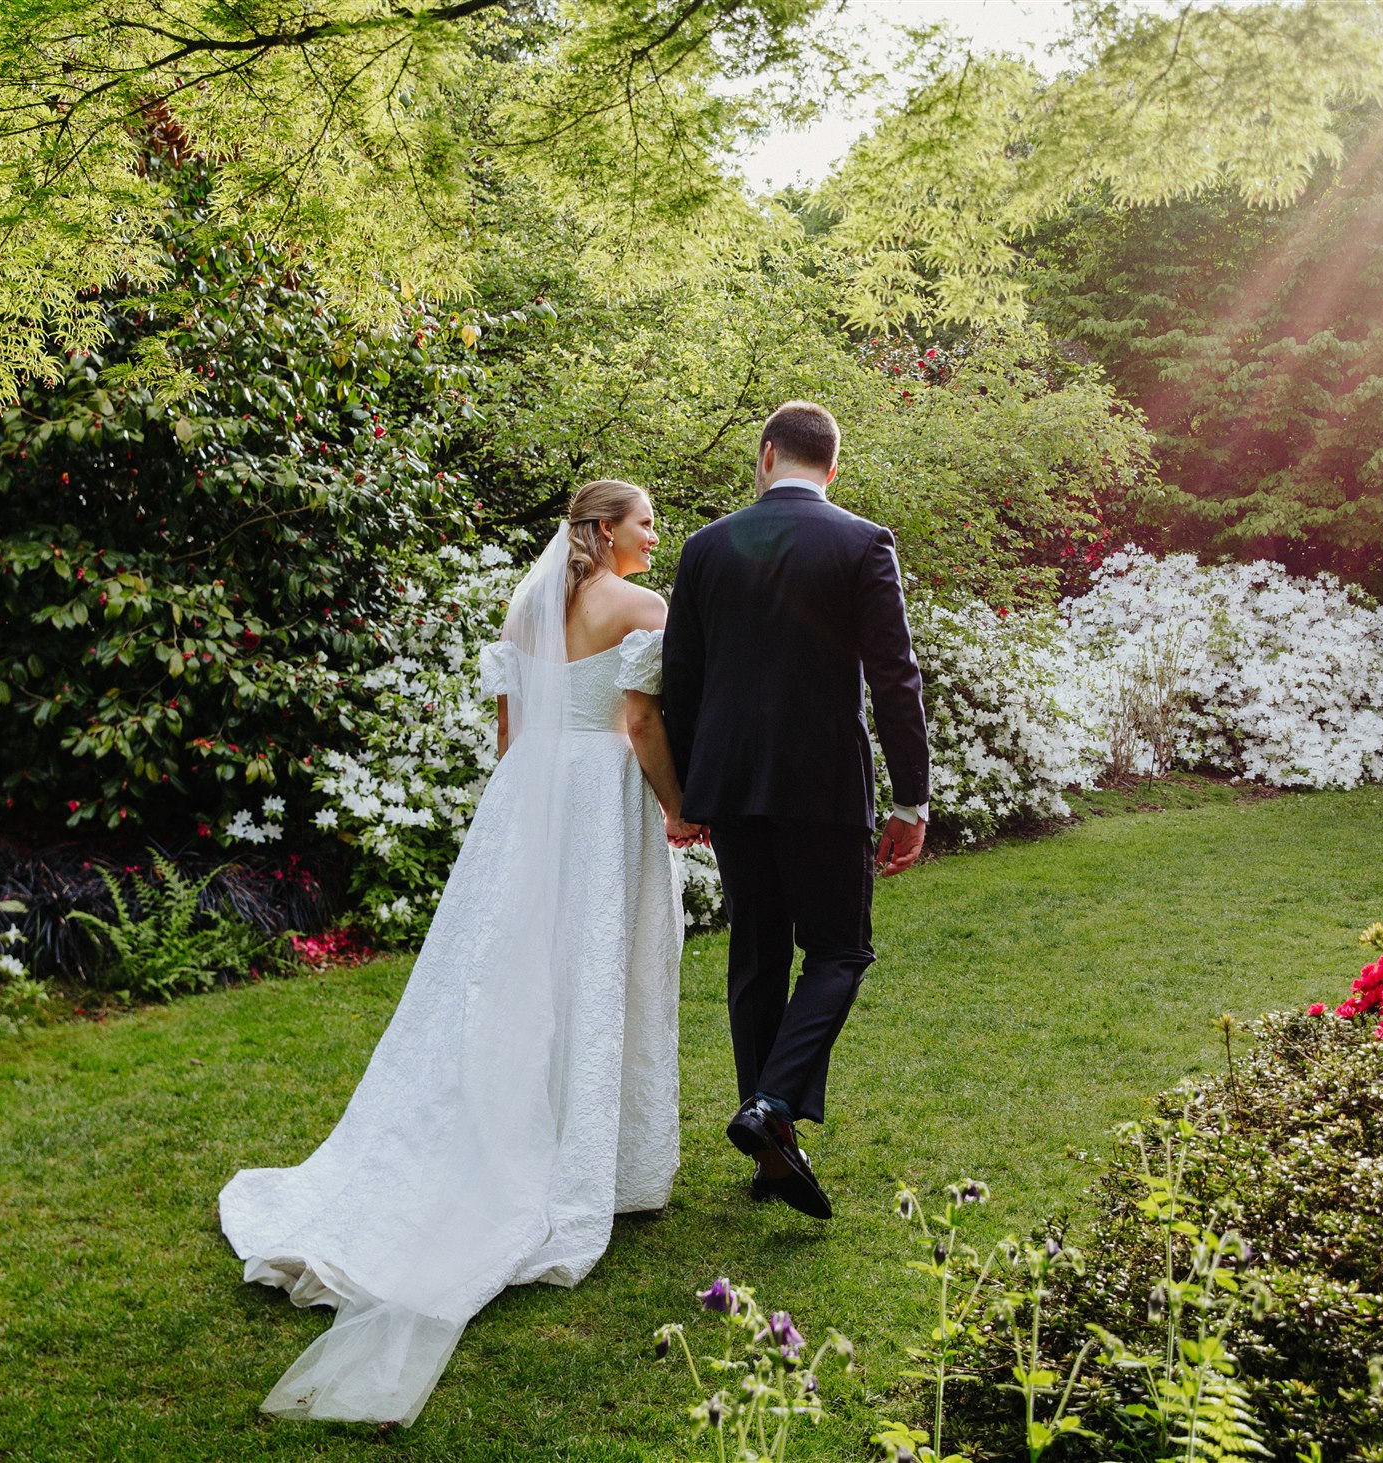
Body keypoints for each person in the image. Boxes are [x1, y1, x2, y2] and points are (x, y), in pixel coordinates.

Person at [218, 479, 700, 1425]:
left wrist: (524, 811)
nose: (656, 531)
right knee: (597, 972)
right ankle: (595, 1164)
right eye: (645, 518)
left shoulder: (529, 603)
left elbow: (509, 734)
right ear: (606, 530)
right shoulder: (647, 606)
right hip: (601, 800)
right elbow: (641, 723)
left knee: (513, 975)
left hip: (525, 804)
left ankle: (527, 1123)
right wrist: (680, 808)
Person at [662, 400, 931, 1220]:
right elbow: (895, 678)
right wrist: (912, 796)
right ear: (833, 467)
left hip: (734, 787)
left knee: (758, 953)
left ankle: (769, 1150)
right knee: (841, 950)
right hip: (822, 786)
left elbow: (682, 687)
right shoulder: (861, 542)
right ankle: (772, 1109)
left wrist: (690, 791)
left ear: (767, 453)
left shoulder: (705, 548)